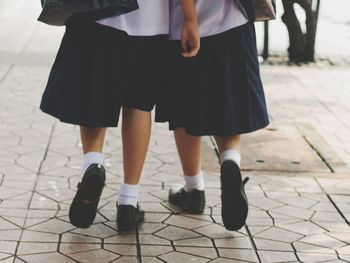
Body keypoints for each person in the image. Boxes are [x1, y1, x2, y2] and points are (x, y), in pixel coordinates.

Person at [156, 0, 270, 231]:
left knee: (185, 109)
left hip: (186, 26)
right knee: (228, 102)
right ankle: (230, 162)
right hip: (233, 19)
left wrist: (190, 17)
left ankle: (193, 190)